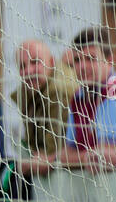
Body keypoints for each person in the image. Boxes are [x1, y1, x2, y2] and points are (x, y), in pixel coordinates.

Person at [57, 26, 116, 169]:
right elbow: (68, 152)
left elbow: (106, 156)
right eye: (77, 60)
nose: (82, 67)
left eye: (91, 59)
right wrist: (77, 157)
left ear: (110, 60)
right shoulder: (78, 96)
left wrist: (60, 158)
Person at [10, 38, 78, 167]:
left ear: (51, 62)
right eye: (22, 66)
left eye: (35, 62)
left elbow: (52, 153)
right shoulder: (27, 92)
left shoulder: (60, 92)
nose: (28, 71)